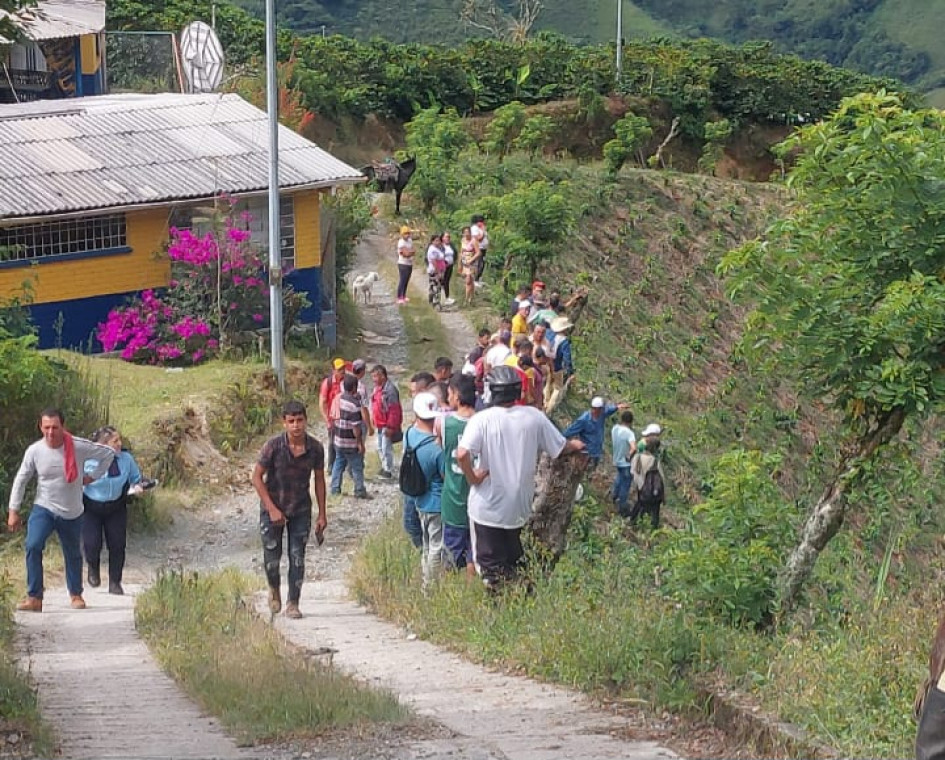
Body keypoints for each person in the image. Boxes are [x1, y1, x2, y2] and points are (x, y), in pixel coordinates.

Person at [456, 367, 585, 588]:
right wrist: (575, 445)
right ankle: (516, 601)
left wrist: (473, 478)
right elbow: (560, 446)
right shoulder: (534, 417)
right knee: (512, 563)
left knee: (489, 569)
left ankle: (498, 609)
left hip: (487, 508)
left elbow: (462, 454)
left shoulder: (482, 420)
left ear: (492, 391)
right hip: (519, 509)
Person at [7, 408, 116, 612]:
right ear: (40, 427)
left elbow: (108, 454)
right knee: (33, 545)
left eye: (55, 427)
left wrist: (93, 476)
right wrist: (13, 510)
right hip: (44, 507)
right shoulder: (35, 451)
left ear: (62, 427)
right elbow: (21, 479)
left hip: (72, 511)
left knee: (73, 553)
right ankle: (34, 597)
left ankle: (76, 594)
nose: (50, 432)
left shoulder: (78, 446)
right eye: (46, 427)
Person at [252, 400, 327, 619]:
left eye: (300, 420)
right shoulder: (273, 447)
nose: (296, 425)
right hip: (273, 506)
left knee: (297, 557)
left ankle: (293, 602)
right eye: (291, 421)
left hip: (300, 508)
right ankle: (274, 589)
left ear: (306, 420)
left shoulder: (315, 448)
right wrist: (271, 508)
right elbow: (256, 478)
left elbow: (320, 480)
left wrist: (322, 514)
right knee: (272, 557)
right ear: (284, 423)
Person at [81, 425, 148, 596]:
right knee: (92, 544)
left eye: (120, 440)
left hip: (116, 507)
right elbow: (74, 481)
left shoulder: (126, 459)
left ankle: (115, 582)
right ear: (103, 445)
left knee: (117, 545)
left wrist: (139, 487)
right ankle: (93, 568)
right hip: (91, 507)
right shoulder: (87, 460)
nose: (119, 444)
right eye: (115, 441)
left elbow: (136, 479)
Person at [403, 392, 445, 590]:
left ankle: (425, 581)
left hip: (419, 500)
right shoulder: (437, 448)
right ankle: (430, 587)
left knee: (427, 545)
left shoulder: (409, 435)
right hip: (436, 503)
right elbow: (445, 476)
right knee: (436, 547)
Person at [436, 374, 477, 577]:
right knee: (473, 554)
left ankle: (447, 594)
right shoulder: (483, 422)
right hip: (479, 499)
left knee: (450, 554)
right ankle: (470, 595)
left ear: (458, 395)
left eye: (450, 393)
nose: (449, 397)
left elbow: (442, 451)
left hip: (452, 498)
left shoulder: (443, 424)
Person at [330, 374, 369, 499]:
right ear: (354, 388)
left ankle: (335, 488)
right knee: (357, 466)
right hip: (350, 442)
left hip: (338, 440)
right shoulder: (354, 404)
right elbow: (356, 428)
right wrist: (360, 443)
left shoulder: (338, 399)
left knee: (338, 463)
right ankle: (359, 490)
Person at [563, 396, 626, 470]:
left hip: (597, 452)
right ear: (597, 409)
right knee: (585, 473)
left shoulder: (601, 414)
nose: (604, 409)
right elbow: (570, 431)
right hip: (586, 454)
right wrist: (563, 441)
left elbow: (609, 410)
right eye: (602, 408)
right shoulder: (584, 420)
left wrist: (617, 407)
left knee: (592, 472)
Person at [629, 424, 666, 529]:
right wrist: (664, 496)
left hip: (642, 489)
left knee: (639, 505)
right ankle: (653, 529)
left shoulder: (638, 457)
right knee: (655, 512)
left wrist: (638, 485)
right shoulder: (654, 461)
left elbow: (633, 472)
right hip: (654, 492)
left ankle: (633, 523)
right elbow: (661, 479)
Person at [371, 364, 402, 479]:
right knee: (379, 447)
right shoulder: (377, 389)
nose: (374, 379)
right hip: (379, 423)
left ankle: (388, 470)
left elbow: (394, 410)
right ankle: (384, 466)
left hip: (386, 425)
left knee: (386, 448)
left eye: (375, 376)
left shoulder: (390, 390)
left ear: (383, 376)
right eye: (373, 377)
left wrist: (391, 426)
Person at [319, 357, 346, 468]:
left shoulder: (347, 381)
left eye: (343, 368)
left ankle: (343, 465)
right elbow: (322, 403)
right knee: (332, 443)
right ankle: (331, 465)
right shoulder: (328, 383)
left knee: (345, 441)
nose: (342, 371)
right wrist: (327, 420)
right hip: (333, 418)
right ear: (334, 370)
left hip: (345, 417)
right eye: (339, 369)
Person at [610, 411, 637, 517]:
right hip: (626, 463)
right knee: (625, 486)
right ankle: (622, 507)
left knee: (619, 479)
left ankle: (614, 496)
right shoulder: (629, 433)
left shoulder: (615, 429)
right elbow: (633, 447)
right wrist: (629, 455)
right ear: (631, 421)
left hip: (617, 460)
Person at [546, 316, 575, 411]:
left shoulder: (548, 333)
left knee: (547, 384)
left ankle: (544, 402)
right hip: (556, 366)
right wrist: (570, 371)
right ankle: (549, 409)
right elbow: (567, 357)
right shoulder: (564, 341)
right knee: (557, 388)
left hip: (545, 363)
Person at [460, 226, 481, 305]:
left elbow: (478, 252)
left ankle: (466, 299)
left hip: (472, 262)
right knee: (470, 282)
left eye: (468, 232)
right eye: (465, 232)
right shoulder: (462, 240)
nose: (466, 234)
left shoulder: (473, 241)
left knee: (468, 281)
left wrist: (471, 260)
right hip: (465, 262)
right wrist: (460, 261)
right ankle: (471, 298)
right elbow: (461, 251)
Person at [426, 233, 446, 308]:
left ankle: (433, 302)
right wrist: (438, 272)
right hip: (435, 271)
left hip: (439, 270)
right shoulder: (432, 250)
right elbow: (434, 262)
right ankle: (435, 303)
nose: (438, 242)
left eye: (439, 241)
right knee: (436, 286)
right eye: (436, 241)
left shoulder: (437, 248)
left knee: (436, 286)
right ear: (432, 241)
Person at [396, 225, 415, 304]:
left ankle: (404, 295)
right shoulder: (401, 242)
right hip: (402, 263)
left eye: (408, 233)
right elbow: (405, 254)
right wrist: (409, 252)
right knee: (402, 280)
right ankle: (399, 297)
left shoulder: (410, 240)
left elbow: (413, 250)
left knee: (407, 280)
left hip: (409, 263)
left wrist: (409, 252)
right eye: (405, 233)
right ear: (402, 234)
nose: (407, 235)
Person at [471, 216, 489, 284]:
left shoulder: (480, 228)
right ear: (479, 222)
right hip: (478, 248)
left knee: (482, 263)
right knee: (479, 263)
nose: (484, 223)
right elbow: (479, 239)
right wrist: (483, 231)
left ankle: (479, 278)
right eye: (483, 222)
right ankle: (475, 280)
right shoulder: (474, 229)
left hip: (483, 248)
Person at [441, 230, 456, 306]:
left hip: (450, 265)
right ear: (442, 238)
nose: (448, 238)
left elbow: (455, 253)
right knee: (443, 282)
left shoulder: (451, 245)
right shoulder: (441, 246)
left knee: (447, 281)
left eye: (449, 237)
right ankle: (444, 298)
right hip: (443, 266)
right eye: (446, 236)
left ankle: (446, 297)